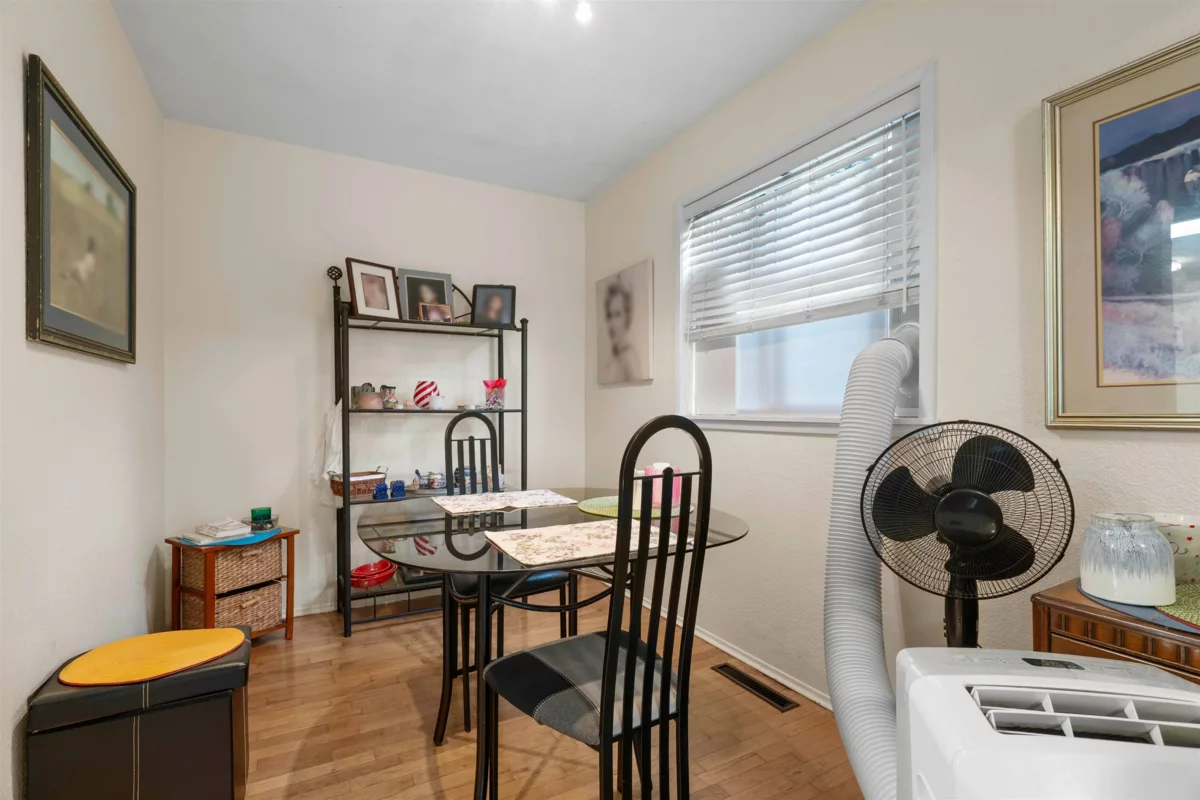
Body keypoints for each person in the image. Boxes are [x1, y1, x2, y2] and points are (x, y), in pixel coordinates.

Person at [600, 278, 643, 383]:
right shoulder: (613, 358)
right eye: (609, 316)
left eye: (617, 315)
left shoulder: (630, 359)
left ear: (626, 317)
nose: (612, 323)